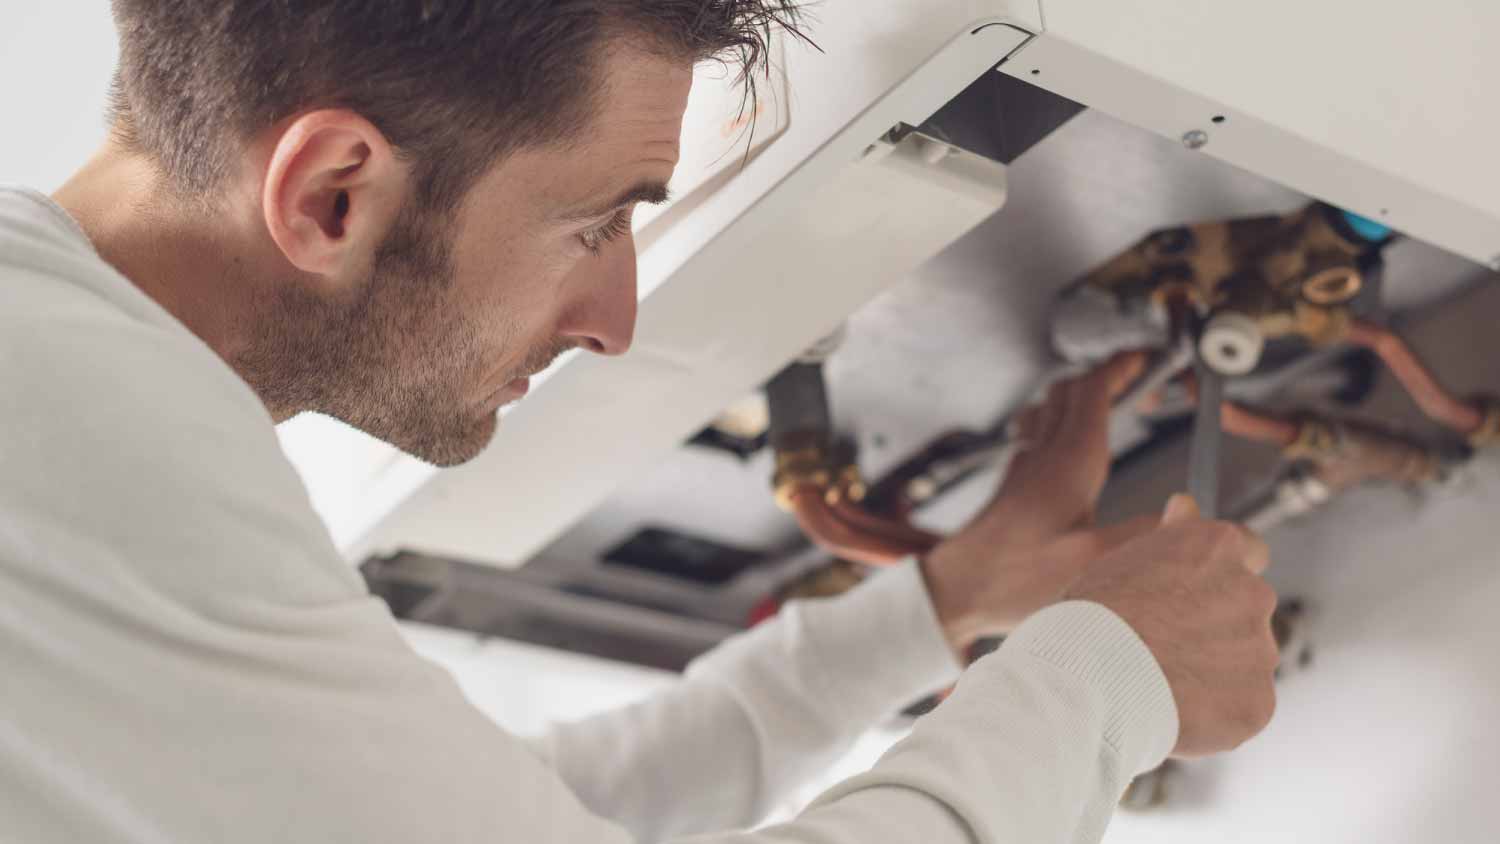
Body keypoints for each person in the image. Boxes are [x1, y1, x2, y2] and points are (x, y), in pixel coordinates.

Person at [0, 2, 1278, 842]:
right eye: (599, 219)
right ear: (336, 193)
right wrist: (1110, 679)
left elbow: (525, 812)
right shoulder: (97, 440)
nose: (614, 316)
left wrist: (944, 598)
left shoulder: (61, 399)